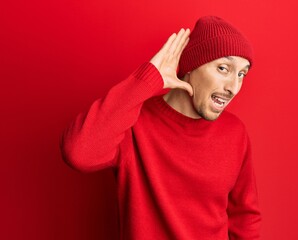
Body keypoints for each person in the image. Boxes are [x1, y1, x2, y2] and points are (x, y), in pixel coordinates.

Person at [60, 16, 261, 239]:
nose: (233, 87)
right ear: (191, 67)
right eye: (224, 68)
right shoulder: (134, 122)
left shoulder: (235, 132)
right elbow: (78, 153)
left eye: (242, 73)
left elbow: (245, 218)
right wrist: (148, 79)